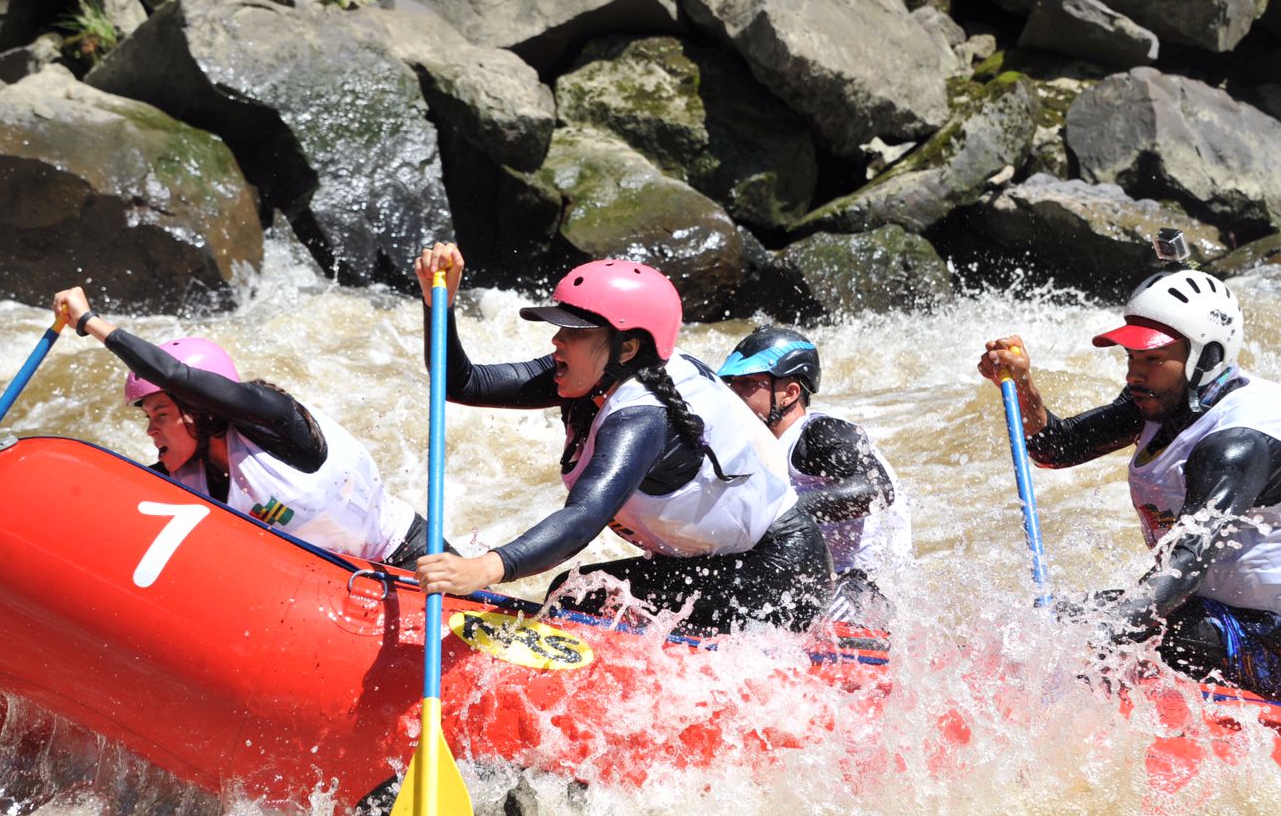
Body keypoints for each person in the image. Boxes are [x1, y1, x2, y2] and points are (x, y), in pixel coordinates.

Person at [977, 267, 1281, 701]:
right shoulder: (1166, 400)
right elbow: (1057, 449)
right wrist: (1022, 386)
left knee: (1146, 628)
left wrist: (1100, 637)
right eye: (1131, 358)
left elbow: (1182, 569)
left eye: (1152, 359)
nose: (1134, 374)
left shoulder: (1238, 445)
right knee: (1062, 616)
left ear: (1206, 357)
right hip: (1210, 611)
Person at [410, 243, 833, 634]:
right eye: (559, 328)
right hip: (716, 560)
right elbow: (460, 383)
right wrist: (439, 304)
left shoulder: (644, 417)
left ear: (626, 348)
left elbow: (583, 518)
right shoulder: (592, 374)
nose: (557, 340)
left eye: (575, 331)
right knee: (578, 594)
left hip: (779, 572)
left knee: (578, 596)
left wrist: (484, 568)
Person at [51, 286, 436, 570]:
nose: (151, 432)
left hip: (407, 554)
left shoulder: (275, 422)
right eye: (148, 419)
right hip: (339, 584)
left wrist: (88, 321)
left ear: (201, 407)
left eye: (161, 415)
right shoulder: (185, 477)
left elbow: (175, 375)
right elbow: (105, 506)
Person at [718, 326, 911, 625]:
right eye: (731, 384)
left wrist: (781, 511)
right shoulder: (746, 451)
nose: (734, 394)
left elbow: (877, 490)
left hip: (860, 585)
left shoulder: (822, 433)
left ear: (790, 393)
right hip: (798, 575)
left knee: (817, 614)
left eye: (747, 384)